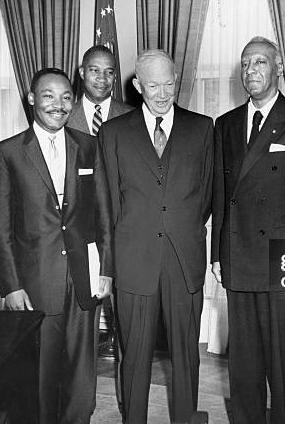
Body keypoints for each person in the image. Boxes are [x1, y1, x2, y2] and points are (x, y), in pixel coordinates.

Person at [211, 36, 285, 423]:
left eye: (260, 62)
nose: (251, 71)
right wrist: (216, 254)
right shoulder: (225, 124)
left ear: (278, 68)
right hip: (239, 255)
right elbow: (220, 194)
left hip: (284, 257)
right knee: (242, 362)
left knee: (280, 361)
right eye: (245, 64)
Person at [0, 68, 112, 424]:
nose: (57, 105)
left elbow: (103, 213)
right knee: (39, 374)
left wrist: (106, 269)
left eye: (64, 98)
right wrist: (11, 286)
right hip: (36, 281)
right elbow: (0, 228)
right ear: (31, 99)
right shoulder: (8, 153)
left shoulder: (88, 146)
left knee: (81, 373)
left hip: (84, 278)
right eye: (48, 96)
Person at [96, 49, 212, 424]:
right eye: (153, 85)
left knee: (186, 356)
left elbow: (207, 195)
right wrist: (110, 267)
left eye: (169, 83)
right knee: (134, 357)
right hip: (134, 263)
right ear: (136, 86)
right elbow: (107, 204)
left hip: (184, 260)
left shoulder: (202, 127)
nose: (162, 93)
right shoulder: (113, 133)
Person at [69, 44, 132, 359]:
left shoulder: (133, 118)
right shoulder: (62, 114)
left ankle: (127, 402)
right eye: (94, 70)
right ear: (81, 73)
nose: (102, 78)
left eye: (110, 71)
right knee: (77, 333)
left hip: (121, 235)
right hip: (77, 237)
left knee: (127, 330)